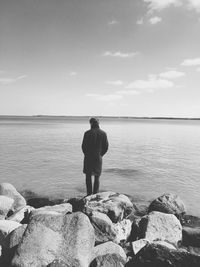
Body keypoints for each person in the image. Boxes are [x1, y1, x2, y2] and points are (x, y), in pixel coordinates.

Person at [82, 117, 108, 195]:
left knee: (88, 177)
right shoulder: (103, 133)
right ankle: (95, 194)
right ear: (98, 123)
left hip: (88, 157)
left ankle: (89, 194)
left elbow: (83, 147)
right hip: (98, 158)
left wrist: (87, 154)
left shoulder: (87, 133)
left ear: (91, 123)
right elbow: (106, 147)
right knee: (97, 177)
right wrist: (100, 155)